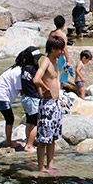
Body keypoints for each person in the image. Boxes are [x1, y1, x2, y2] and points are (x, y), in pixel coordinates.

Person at [33, 35, 67, 173]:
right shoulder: (46, 61)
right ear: (53, 49)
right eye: (60, 49)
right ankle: (41, 168)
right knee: (44, 139)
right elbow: (36, 79)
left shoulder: (55, 61)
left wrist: (59, 99)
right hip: (47, 104)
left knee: (53, 138)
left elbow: (55, 82)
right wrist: (45, 89)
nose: (62, 52)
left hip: (55, 103)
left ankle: (50, 165)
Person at [18, 47, 43, 153]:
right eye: (36, 58)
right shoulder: (32, 69)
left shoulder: (24, 68)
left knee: (29, 121)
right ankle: (29, 145)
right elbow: (37, 84)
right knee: (36, 123)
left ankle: (28, 141)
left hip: (26, 98)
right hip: (33, 99)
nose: (37, 60)